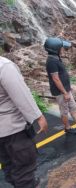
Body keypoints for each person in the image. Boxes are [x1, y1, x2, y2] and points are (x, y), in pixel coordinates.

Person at [0, 56, 48, 188]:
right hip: (13, 129)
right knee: (24, 168)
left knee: (8, 165)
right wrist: (38, 116)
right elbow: (21, 95)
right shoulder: (4, 66)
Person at [44, 37, 76, 135]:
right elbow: (55, 79)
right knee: (64, 110)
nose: (63, 49)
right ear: (55, 50)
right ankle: (68, 128)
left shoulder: (56, 58)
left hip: (66, 89)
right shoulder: (52, 62)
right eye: (61, 47)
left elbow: (61, 75)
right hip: (61, 92)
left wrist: (68, 88)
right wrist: (64, 92)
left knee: (73, 107)